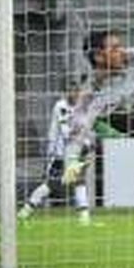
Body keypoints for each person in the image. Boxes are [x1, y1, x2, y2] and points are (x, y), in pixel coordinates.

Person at [18, 77, 94, 225]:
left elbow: (84, 130)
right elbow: (66, 132)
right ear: (66, 93)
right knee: (52, 184)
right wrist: (84, 140)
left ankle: (84, 217)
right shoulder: (61, 106)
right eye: (72, 91)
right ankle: (25, 211)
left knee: (77, 181)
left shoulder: (81, 108)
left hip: (74, 151)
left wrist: (88, 143)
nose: (76, 94)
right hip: (58, 152)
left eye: (78, 91)